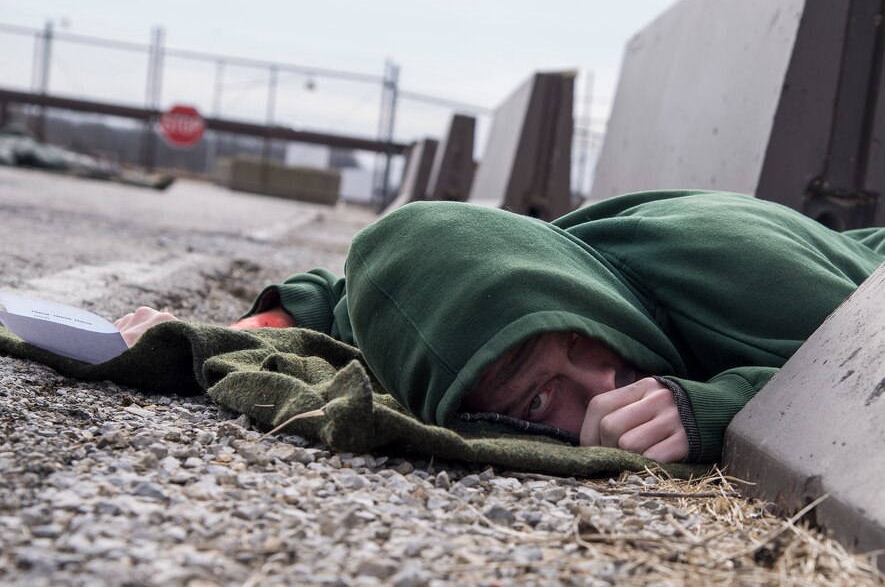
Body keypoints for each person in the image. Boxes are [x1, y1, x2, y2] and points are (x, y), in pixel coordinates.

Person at [115, 190, 885, 464]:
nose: (606, 384)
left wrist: (713, 409)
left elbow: (867, 370)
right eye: (538, 403)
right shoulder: (511, 294)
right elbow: (363, 298)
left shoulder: (736, 271)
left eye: (582, 340)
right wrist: (254, 323)